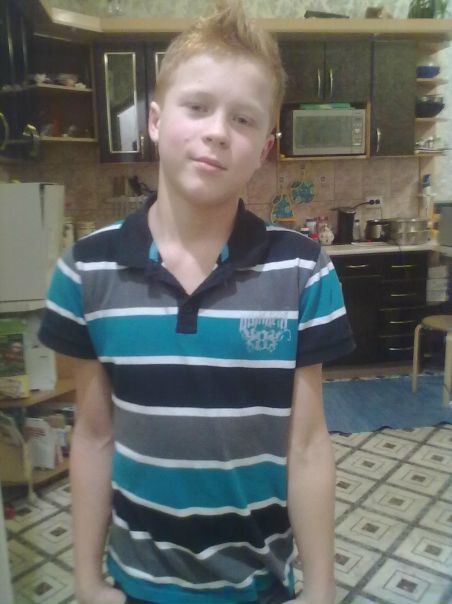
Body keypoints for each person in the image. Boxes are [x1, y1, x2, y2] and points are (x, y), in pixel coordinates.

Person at [39, 2, 355, 603]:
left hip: (260, 584)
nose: (217, 131)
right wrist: (85, 580)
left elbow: (309, 445)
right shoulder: (86, 271)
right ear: (156, 121)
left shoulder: (302, 272)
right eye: (198, 106)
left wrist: (320, 588)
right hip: (138, 584)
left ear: (264, 148)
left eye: (243, 118)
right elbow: (95, 436)